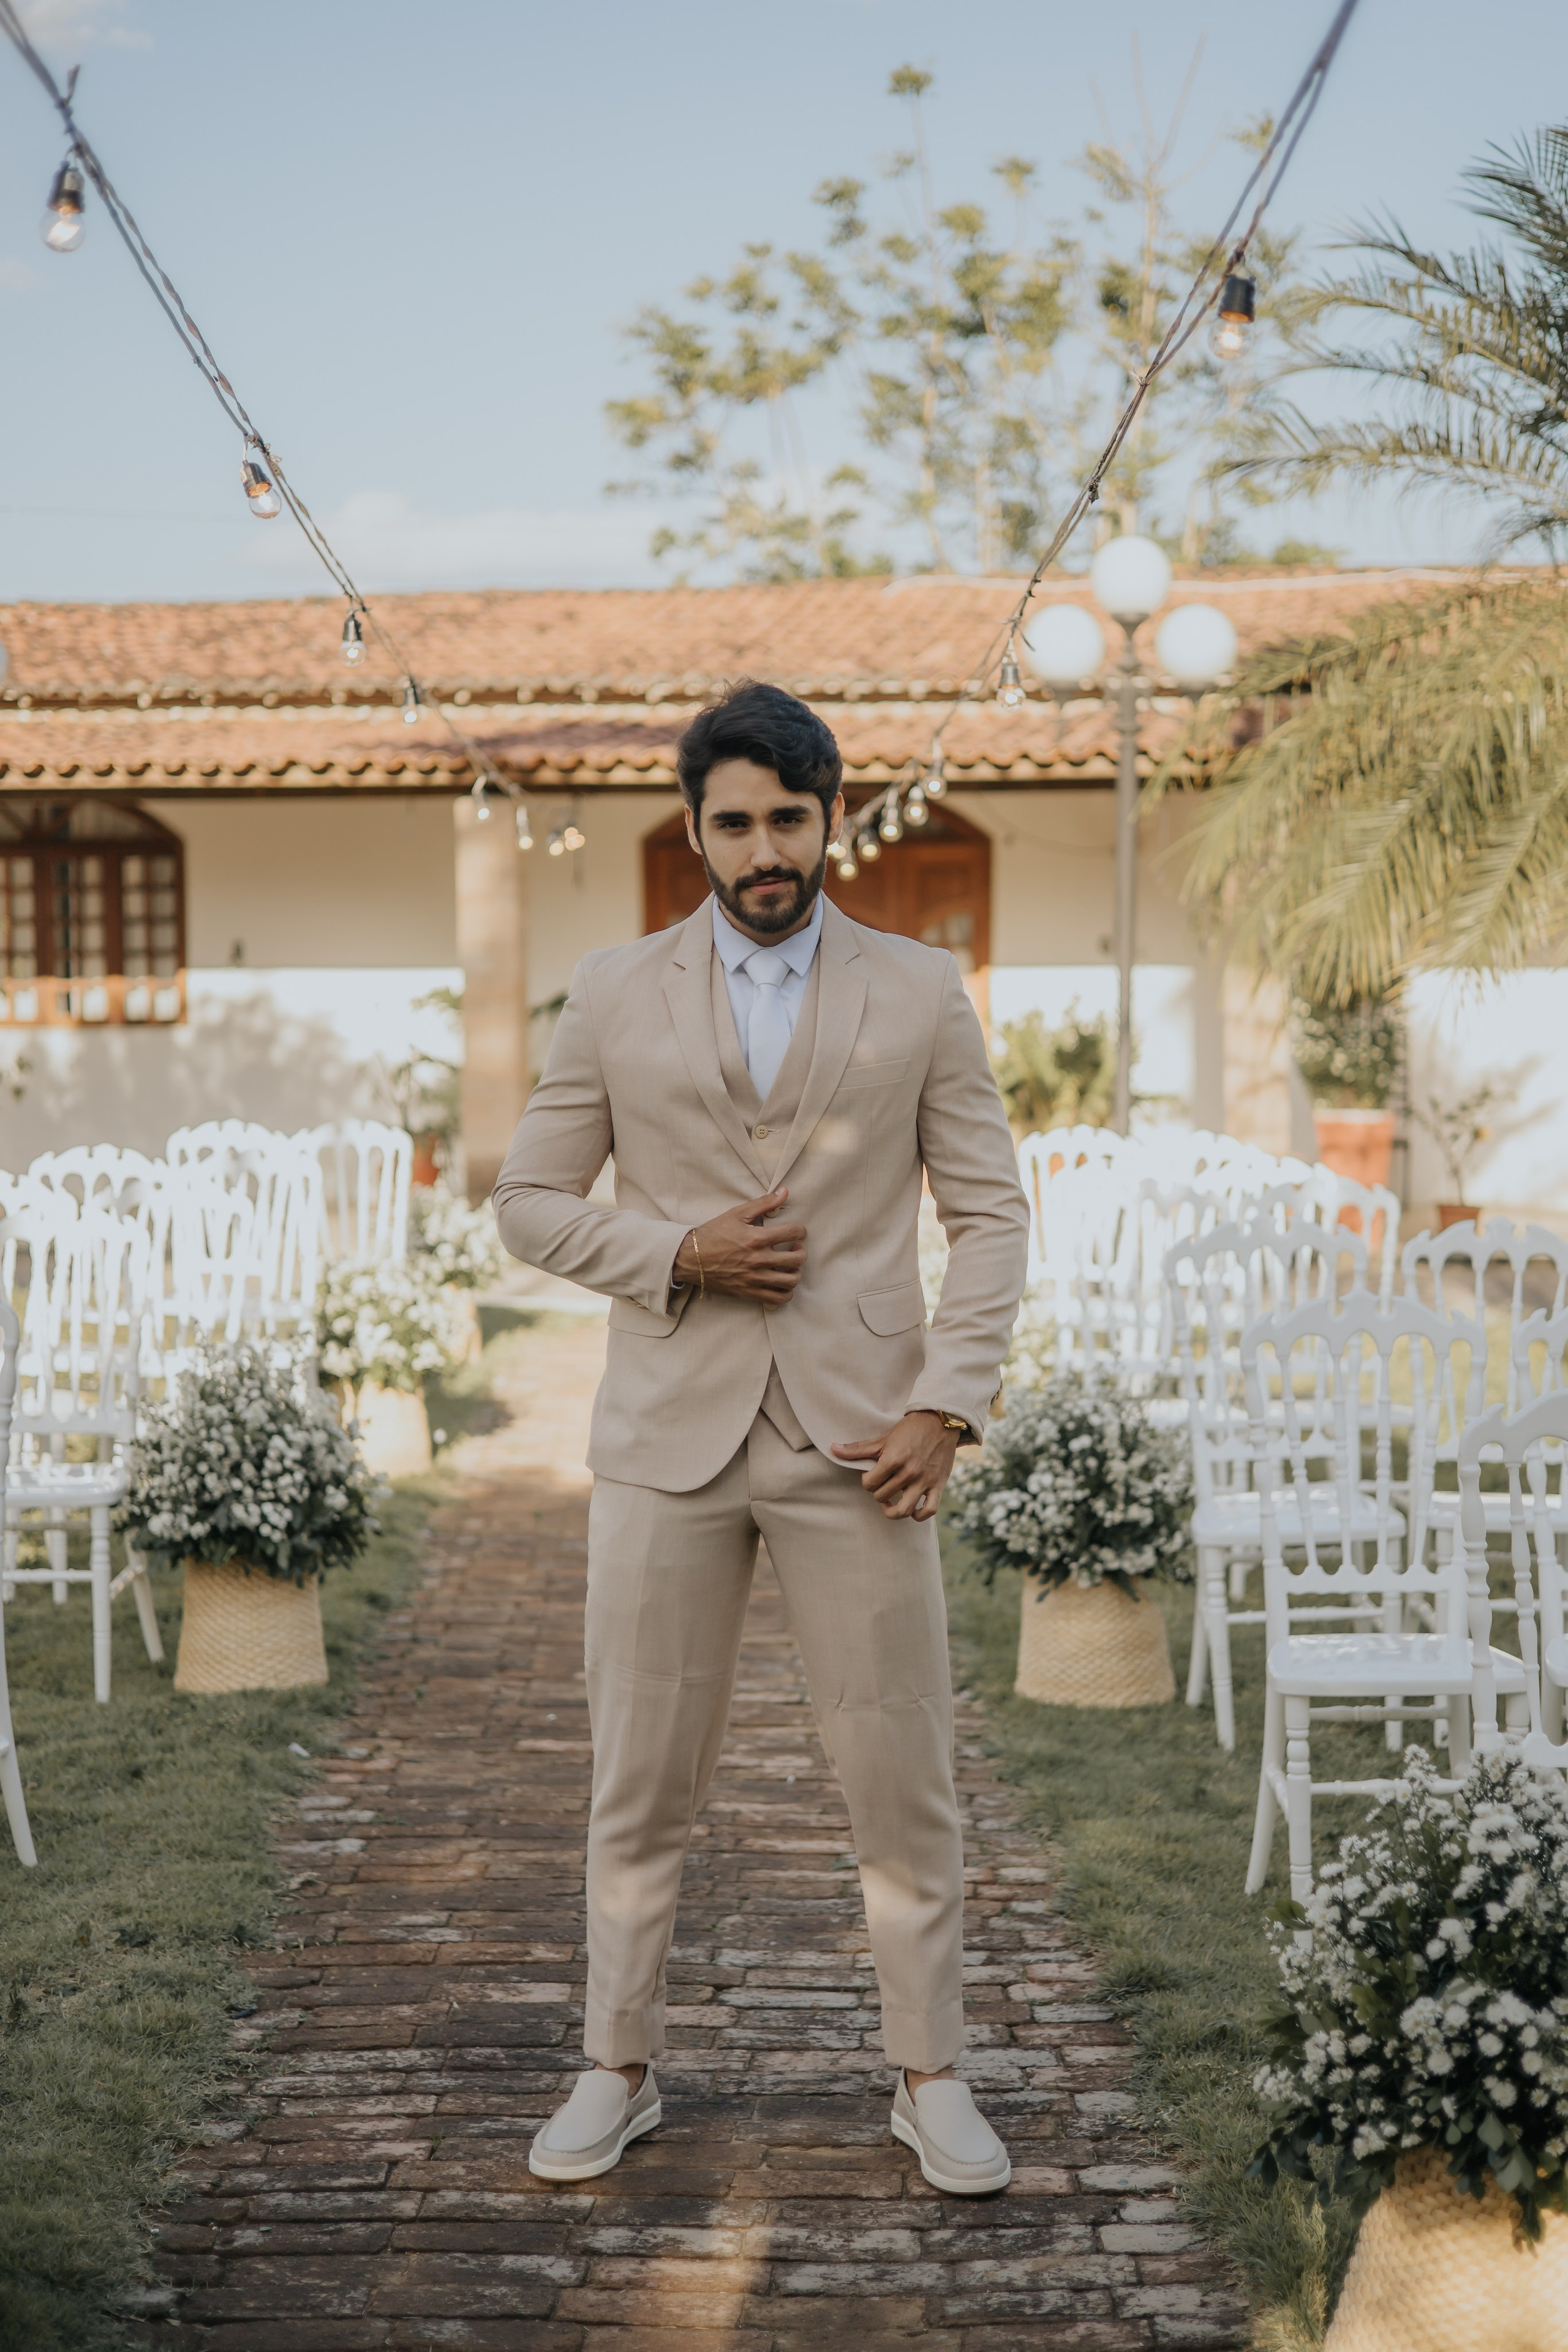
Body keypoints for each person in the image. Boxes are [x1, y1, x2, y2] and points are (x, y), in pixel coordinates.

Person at [493, 679, 1029, 2193]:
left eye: (789, 818)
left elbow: (988, 1216)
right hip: (664, 1437)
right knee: (637, 1774)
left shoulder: (920, 989)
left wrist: (947, 1399)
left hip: (861, 1443)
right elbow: (527, 1202)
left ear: (831, 818)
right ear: (695, 830)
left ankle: (930, 2077)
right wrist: (677, 1252)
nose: (763, 848)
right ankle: (616, 2066)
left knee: (899, 1772)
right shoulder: (610, 990)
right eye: (733, 822)